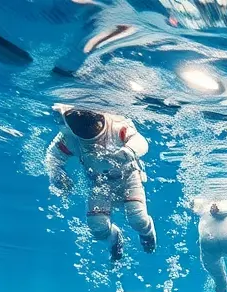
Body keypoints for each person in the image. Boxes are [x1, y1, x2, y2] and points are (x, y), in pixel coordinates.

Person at [45, 104, 157, 262]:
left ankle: (147, 233)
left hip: (128, 177)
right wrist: (56, 173)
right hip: (99, 183)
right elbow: (53, 156)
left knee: (137, 218)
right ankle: (113, 239)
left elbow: (140, 141)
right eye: (83, 131)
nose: (89, 133)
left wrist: (129, 151)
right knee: (97, 227)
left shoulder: (117, 126)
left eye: (94, 128)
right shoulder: (70, 137)